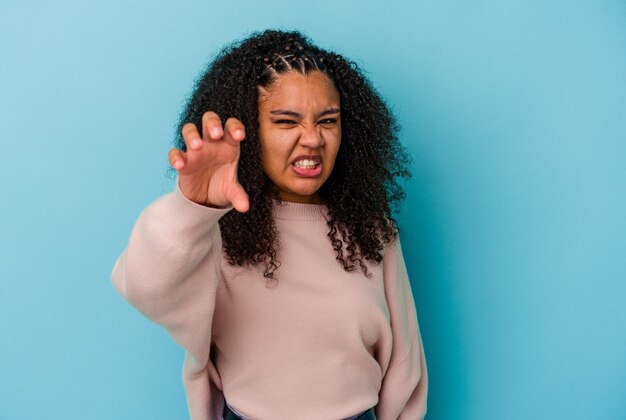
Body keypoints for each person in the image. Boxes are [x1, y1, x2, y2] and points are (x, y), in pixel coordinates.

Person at [112, 29, 428, 420]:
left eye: (328, 120)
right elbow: (143, 286)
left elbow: (405, 368)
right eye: (286, 121)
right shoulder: (213, 235)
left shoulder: (374, 233)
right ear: (251, 128)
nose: (312, 139)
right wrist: (191, 208)